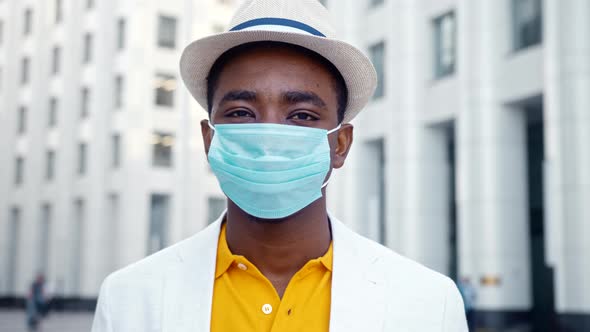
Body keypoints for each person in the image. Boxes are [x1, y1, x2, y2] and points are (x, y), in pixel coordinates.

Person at [92, 1, 468, 331]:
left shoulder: (428, 304)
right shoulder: (129, 300)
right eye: (241, 112)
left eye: (301, 115)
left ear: (340, 143)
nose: (269, 134)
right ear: (210, 139)